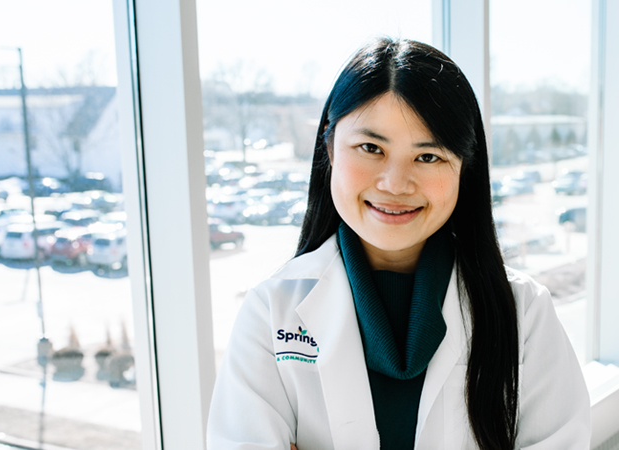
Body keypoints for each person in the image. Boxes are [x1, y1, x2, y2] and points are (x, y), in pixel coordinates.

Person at [207, 38, 591, 450]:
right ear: (330, 149)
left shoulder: (524, 313)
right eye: (370, 148)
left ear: (464, 167)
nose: (395, 184)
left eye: (428, 157)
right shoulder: (271, 312)